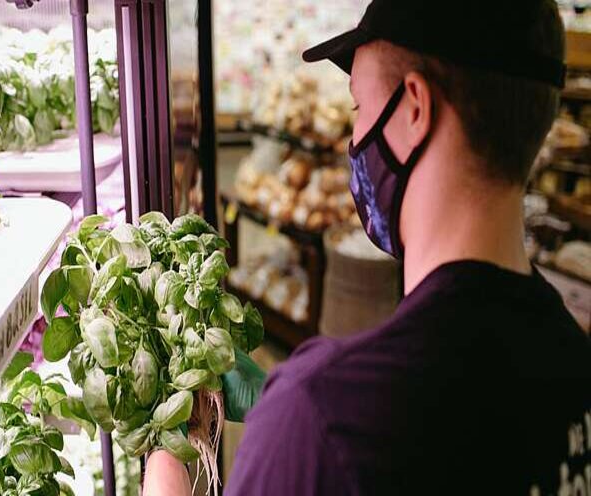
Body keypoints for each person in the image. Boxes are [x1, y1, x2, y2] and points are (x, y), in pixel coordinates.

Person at [144, 0, 591, 494]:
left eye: (360, 107)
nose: (354, 139)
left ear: (416, 110)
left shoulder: (325, 420)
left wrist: (169, 453)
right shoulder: (574, 360)